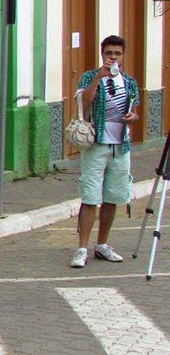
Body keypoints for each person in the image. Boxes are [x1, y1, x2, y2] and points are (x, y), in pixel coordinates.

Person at [70, 35, 140, 268]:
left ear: (123, 55)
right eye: (109, 53)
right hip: (96, 145)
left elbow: (134, 111)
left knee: (113, 197)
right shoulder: (90, 76)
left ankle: (102, 245)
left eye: (117, 54)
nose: (112, 57)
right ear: (102, 54)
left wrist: (133, 117)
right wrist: (99, 78)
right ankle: (82, 248)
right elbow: (83, 104)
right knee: (90, 197)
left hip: (120, 146)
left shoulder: (129, 82)